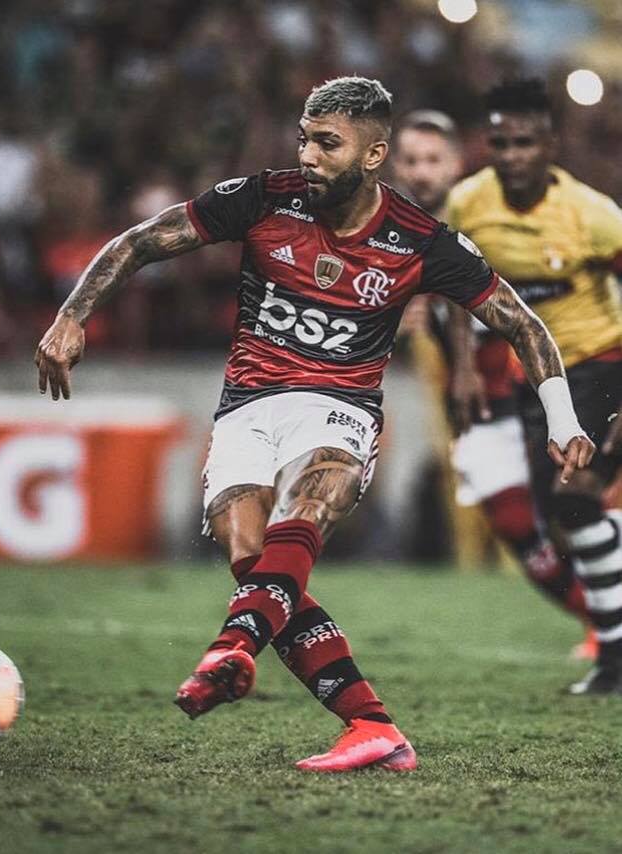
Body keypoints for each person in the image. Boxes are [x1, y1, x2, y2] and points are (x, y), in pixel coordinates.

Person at [35, 77, 594, 771]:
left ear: (373, 155)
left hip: (340, 408)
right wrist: (71, 315)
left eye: (327, 143)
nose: (307, 155)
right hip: (247, 406)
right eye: (304, 138)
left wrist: (562, 419)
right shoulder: (264, 198)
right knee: (255, 564)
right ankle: (372, 726)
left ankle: (232, 646)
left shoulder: (421, 241)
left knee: (309, 502)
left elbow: (522, 324)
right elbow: (142, 241)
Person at [446, 78, 622, 694]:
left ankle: (614, 661)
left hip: (600, 360)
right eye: (501, 143)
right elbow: (453, 288)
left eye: (524, 143)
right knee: (561, 518)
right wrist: (464, 365)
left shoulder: (593, 216)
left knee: (575, 499)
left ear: (551, 144)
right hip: (537, 377)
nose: (512, 156)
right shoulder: (468, 203)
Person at [393, 110, 592, 653]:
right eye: (411, 160)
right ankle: (601, 624)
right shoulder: (389, 231)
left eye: (433, 159)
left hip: (542, 384)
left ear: (456, 163)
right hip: (485, 405)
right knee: (515, 523)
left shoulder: (492, 215)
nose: (421, 171)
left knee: (578, 505)